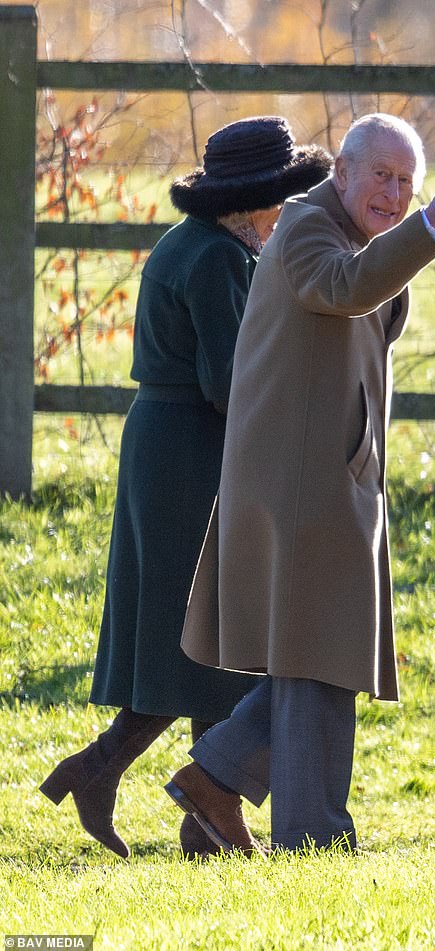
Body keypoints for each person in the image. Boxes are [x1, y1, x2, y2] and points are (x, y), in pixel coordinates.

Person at [165, 113, 435, 854]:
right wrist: (430, 223)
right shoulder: (311, 229)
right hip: (301, 485)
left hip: (328, 475)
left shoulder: (351, 236)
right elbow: (344, 291)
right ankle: (310, 832)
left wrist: (412, 231)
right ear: (339, 172)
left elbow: (366, 302)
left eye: (406, 181)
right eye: (381, 174)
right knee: (321, 651)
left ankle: (215, 779)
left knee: (324, 650)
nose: (395, 191)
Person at [38, 116, 333, 860]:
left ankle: (166, 800)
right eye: (283, 199)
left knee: (205, 635)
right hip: (191, 455)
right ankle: (154, 790)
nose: (288, 213)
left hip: (172, 446)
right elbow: (231, 383)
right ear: (258, 199)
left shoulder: (200, 246)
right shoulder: (218, 260)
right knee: (208, 633)